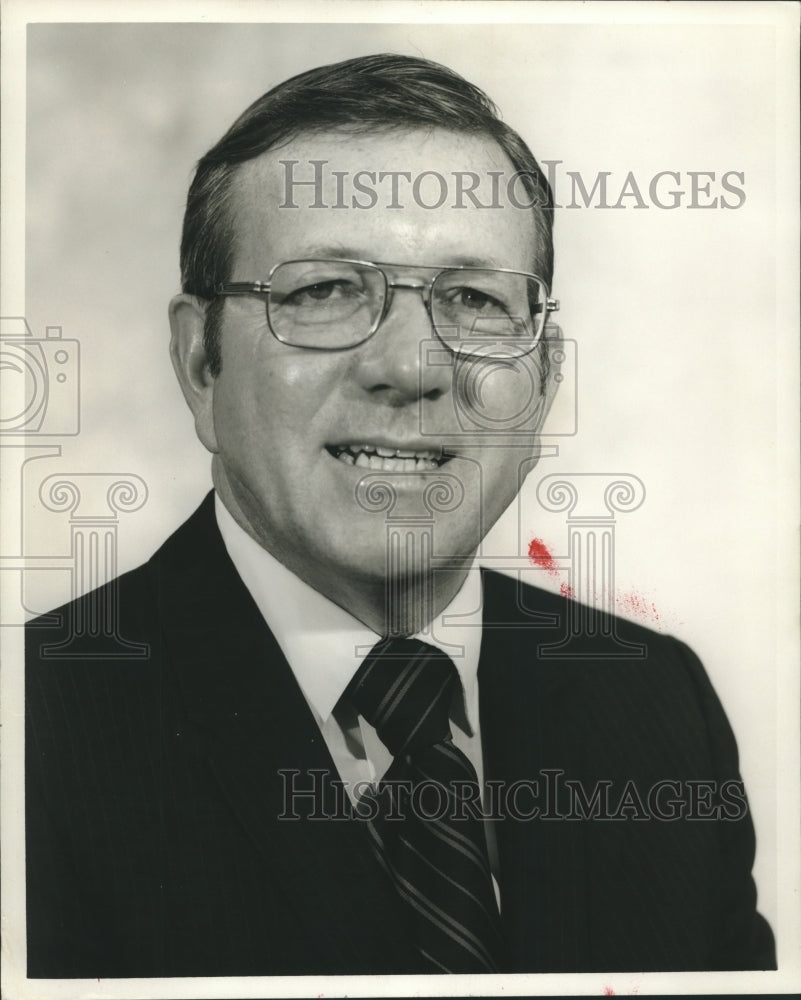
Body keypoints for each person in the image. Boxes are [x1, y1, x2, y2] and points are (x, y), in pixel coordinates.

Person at [25, 53, 775, 978]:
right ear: (199, 363)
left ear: (544, 379)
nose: (411, 367)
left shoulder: (655, 708)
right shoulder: (37, 733)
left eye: (472, 300)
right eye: (324, 291)